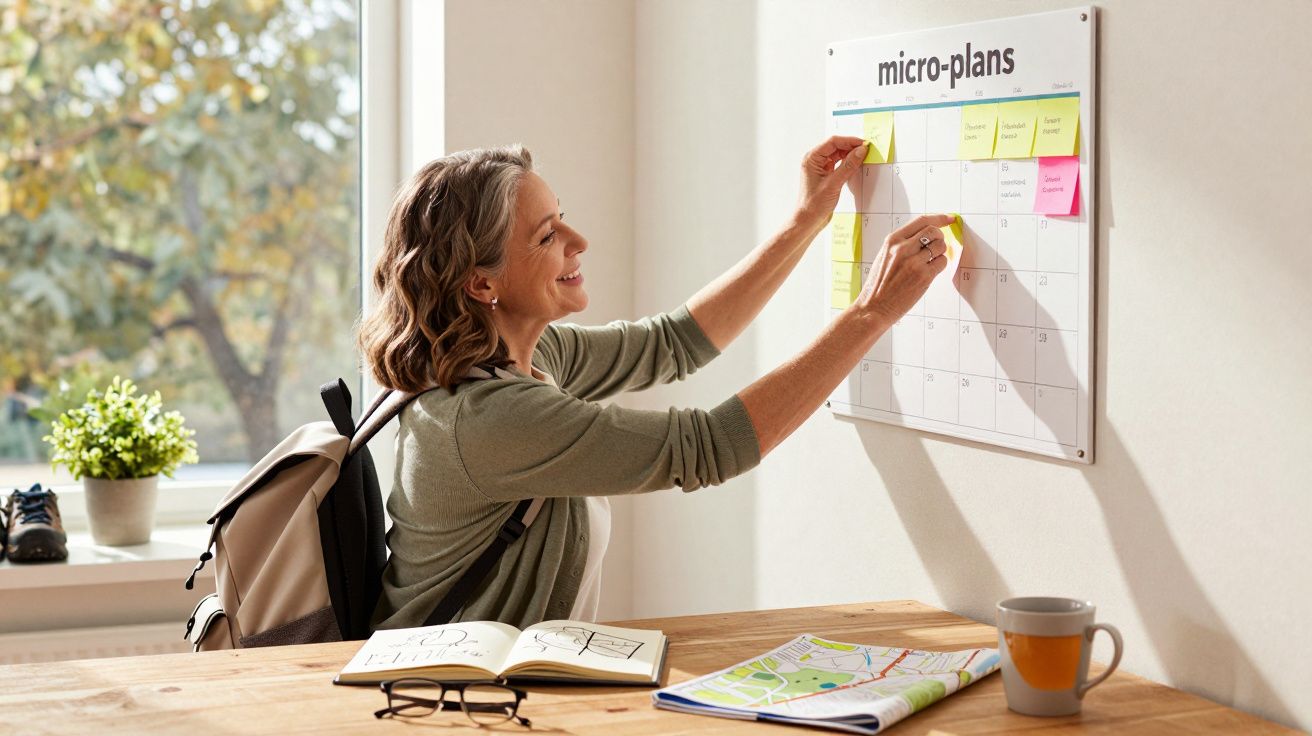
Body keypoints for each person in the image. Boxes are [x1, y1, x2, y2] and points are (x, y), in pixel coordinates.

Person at [361, 138, 953, 630]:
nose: (579, 241)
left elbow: (672, 342)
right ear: (480, 283)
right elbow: (709, 446)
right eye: (547, 236)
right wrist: (870, 313)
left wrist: (806, 221)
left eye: (561, 216)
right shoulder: (489, 418)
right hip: (436, 701)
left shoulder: (519, 356)